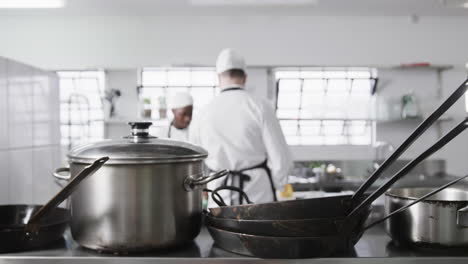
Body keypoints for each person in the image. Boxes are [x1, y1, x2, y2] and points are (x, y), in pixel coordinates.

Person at [190, 48, 292, 207]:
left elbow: (195, 160)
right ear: (244, 77)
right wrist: (279, 184)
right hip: (258, 194)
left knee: (222, 232)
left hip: (219, 194)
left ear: (219, 77)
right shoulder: (261, 106)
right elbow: (280, 157)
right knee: (257, 232)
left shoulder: (203, 113)